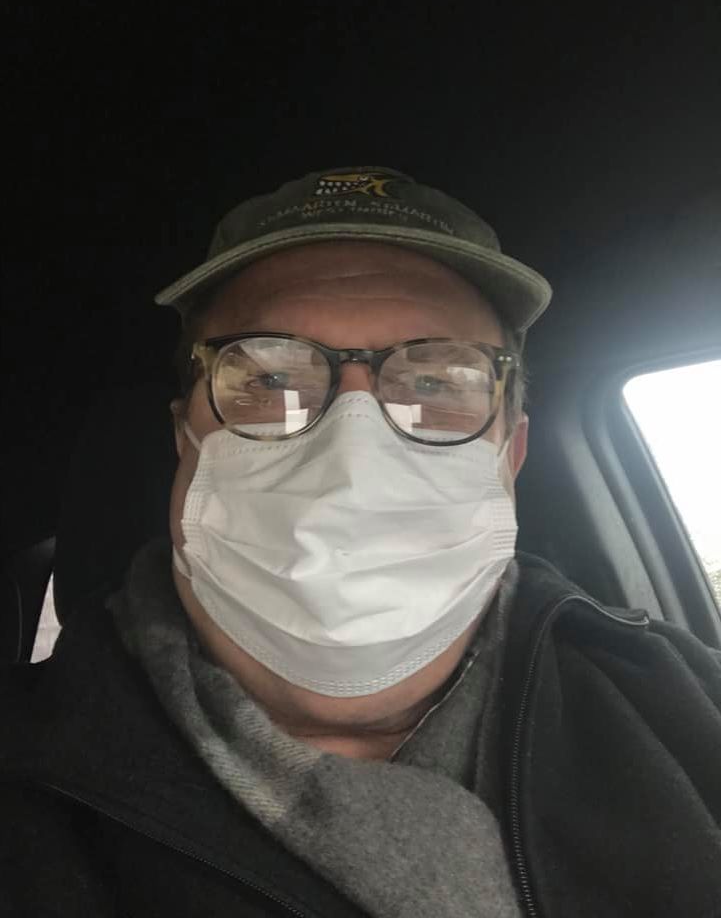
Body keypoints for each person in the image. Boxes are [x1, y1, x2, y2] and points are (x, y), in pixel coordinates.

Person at [2, 166, 720, 918]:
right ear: (186, 441)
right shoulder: (27, 785)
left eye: (435, 384)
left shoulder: (683, 701)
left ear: (509, 455)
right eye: (268, 380)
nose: (351, 459)